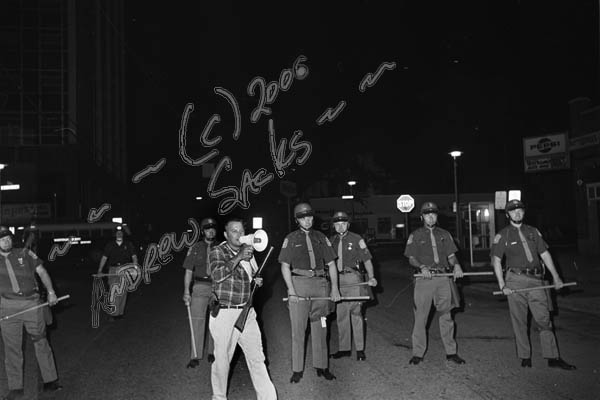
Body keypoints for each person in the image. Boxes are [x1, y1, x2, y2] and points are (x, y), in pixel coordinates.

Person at [491, 199, 576, 370]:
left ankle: (553, 357)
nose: (517, 213)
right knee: (520, 321)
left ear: (524, 212)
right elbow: (496, 261)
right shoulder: (503, 234)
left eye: (520, 210)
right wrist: (502, 285)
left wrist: (556, 277)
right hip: (515, 280)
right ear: (507, 214)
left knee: (544, 319)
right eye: (513, 211)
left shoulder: (533, 232)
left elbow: (544, 254)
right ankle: (524, 356)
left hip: (537, 280)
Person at [208, 218, 276, 400]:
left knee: (257, 358)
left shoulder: (249, 253)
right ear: (225, 234)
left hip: (247, 311)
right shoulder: (217, 251)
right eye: (234, 231)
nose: (238, 235)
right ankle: (219, 397)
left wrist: (257, 280)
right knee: (222, 361)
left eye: (241, 231)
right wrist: (239, 257)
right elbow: (217, 275)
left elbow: (252, 276)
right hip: (224, 312)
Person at [279, 202, 341, 383]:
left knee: (321, 327)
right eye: (302, 217)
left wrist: (335, 288)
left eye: (309, 217)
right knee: (298, 330)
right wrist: (291, 290)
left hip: (320, 285)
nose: (307, 220)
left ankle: (322, 366)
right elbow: (284, 266)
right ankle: (297, 369)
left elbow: (331, 265)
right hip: (299, 284)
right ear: (297, 220)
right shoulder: (290, 238)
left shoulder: (321, 237)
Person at [0, 226, 62, 399]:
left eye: (8, 238)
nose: (6, 241)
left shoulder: (25, 253)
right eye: (2, 239)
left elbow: (42, 272)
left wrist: (50, 292)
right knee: (12, 349)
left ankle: (51, 381)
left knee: (41, 341)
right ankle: (15, 388)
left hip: (31, 304)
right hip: (6, 307)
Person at [404, 202, 465, 365]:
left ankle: (451, 352)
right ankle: (418, 353)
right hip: (424, 279)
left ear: (437, 216)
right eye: (427, 214)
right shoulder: (415, 235)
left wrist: (456, 265)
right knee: (420, 318)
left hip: (443, 278)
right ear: (422, 216)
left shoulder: (445, 234)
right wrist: (421, 266)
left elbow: (451, 255)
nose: (430, 216)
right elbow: (411, 258)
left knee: (446, 316)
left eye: (433, 214)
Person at [329, 211, 377, 361]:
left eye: (343, 223)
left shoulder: (357, 239)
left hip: (353, 279)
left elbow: (367, 260)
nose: (340, 226)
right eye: (337, 224)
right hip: (337, 280)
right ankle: (344, 349)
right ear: (333, 226)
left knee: (356, 314)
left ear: (348, 225)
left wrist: (372, 277)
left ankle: (360, 349)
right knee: (341, 315)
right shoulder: (331, 241)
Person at [182, 217, 217, 367]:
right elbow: (189, 271)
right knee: (197, 321)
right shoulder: (195, 248)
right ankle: (195, 355)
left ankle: (213, 352)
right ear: (203, 231)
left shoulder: (221, 247)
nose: (211, 230)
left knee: (215, 322)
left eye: (213, 228)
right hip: (199, 286)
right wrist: (186, 291)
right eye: (207, 228)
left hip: (217, 287)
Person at [97, 228, 138, 320]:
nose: (119, 234)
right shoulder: (110, 245)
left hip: (125, 269)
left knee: (123, 292)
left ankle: (120, 313)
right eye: (117, 233)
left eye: (120, 233)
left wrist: (134, 268)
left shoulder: (128, 244)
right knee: (114, 291)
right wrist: (100, 270)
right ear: (115, 234)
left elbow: (134, 257)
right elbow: (104, 258)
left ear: (123, 234)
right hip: (113, 270)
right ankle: (115, 313)